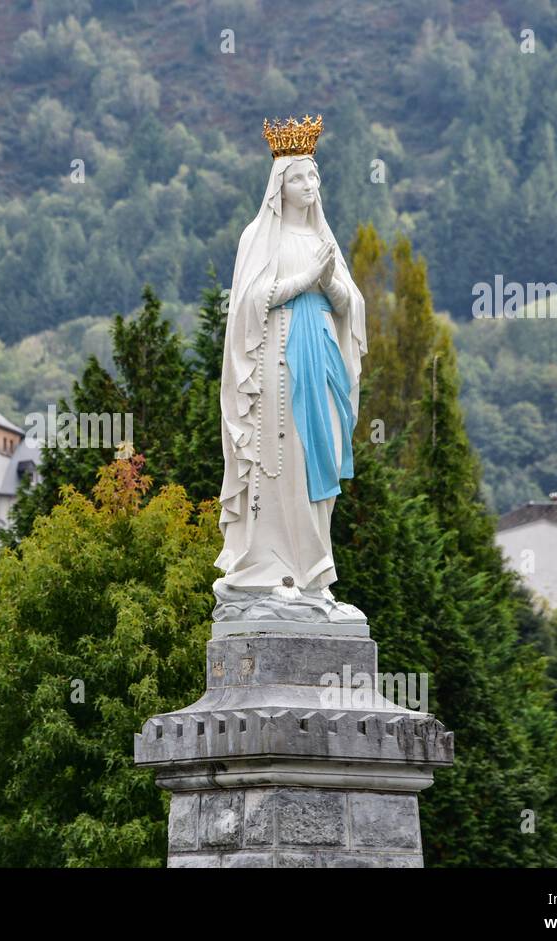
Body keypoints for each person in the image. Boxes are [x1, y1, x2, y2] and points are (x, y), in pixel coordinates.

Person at [214, 116, 367, 623]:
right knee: (283, 460)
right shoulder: (259, 237)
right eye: (299, 176)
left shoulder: (325, 238)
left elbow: (350, 303)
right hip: (277, 361)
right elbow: (247, 304)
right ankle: (270, 568)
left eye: (314, 175)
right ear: (280, 184)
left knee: (319, 456)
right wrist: (305, 280)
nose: (310, 184)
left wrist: (331, 285)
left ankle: (315, 573)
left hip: (321, 354)